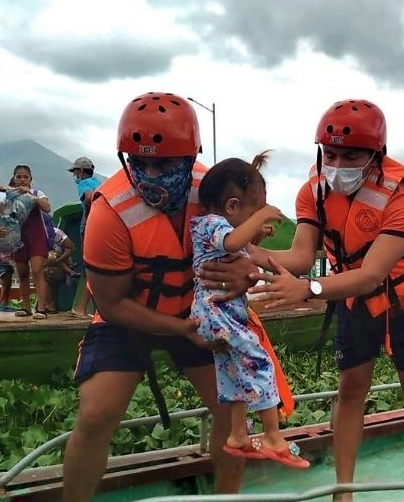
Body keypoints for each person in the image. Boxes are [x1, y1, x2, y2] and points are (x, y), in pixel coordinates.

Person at [62, 92, 257, 502]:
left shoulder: (216, 193)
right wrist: (180, 329)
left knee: (232, 410)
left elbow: (248, 248)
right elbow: (112, 303)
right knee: (96, 415)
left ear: (189, 158)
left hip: (201, 311)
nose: (150, 172)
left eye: (164, 163)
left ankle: (227, 496)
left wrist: (244, 272)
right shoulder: (108, 212)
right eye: (140, 162)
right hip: (128, 319)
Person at [246, 100, 404, 501]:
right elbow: (301, 257)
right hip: (355, 303)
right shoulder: (313, 192)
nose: (338, 164)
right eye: (331, 154)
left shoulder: (402, 197)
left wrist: (310, 289)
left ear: (376, 156)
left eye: (351, 156)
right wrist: (245, 252)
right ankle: (344, 491)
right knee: (351, 389)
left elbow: (372, 273)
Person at [191, 152, 308, 469]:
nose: (261, 217)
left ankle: (238, 435)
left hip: (218, 315)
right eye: (255, 211)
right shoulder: (212, 224)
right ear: (231, 207)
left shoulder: (217, 227)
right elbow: (230, 243)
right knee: (259, 362)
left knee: (233, 375)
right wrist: (263, 215)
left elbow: (239, 242)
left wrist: (257, 231)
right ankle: (272, 436)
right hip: (219, 314)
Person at [0, 165, 51, 319]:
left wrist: (32, 196)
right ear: (14, 178)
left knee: (37, 271)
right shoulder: (9, 197)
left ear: (31, 179)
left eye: (25, 177)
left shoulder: (38, 193)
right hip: (18, 238)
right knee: (22, 273)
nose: (22, 179)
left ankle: (41, 309)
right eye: (19, 176)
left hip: (36, 237)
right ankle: (26, 307)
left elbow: (47, 207)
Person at [67, 156, 100, 318]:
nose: (75, 176)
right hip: (102, 225)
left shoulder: (84, 184)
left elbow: (88, 197)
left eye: (75, 172)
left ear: (80, 171)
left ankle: (80, 308)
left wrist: (88, 213)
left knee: (90, 268)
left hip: (89, 226)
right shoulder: (100, 182)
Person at [44, 226, 79, 314]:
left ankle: (69, 271)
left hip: (56, 260)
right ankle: (69, 272)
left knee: (54, 261)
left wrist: (57, 260)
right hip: (48, 261)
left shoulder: (55, 232)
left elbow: (71, 248)